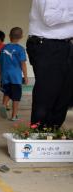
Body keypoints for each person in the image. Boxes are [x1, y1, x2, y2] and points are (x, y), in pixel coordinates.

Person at [26, 0, 73, 129]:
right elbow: (50, 18)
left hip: (66, 45)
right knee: (48, 91)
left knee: (64, 93)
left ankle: (53, 131)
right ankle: (39, 132)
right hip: (47, 44)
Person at [0, 27, 28, 121]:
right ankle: (14, 116)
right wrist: (25, 77)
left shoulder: (4, 48)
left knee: (7, 92)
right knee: (16, 96)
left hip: (6, 75)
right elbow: (23, 64)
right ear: (21, 37)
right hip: (16, 77)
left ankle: (4, 105)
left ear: (9, 36)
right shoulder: (20, 49)